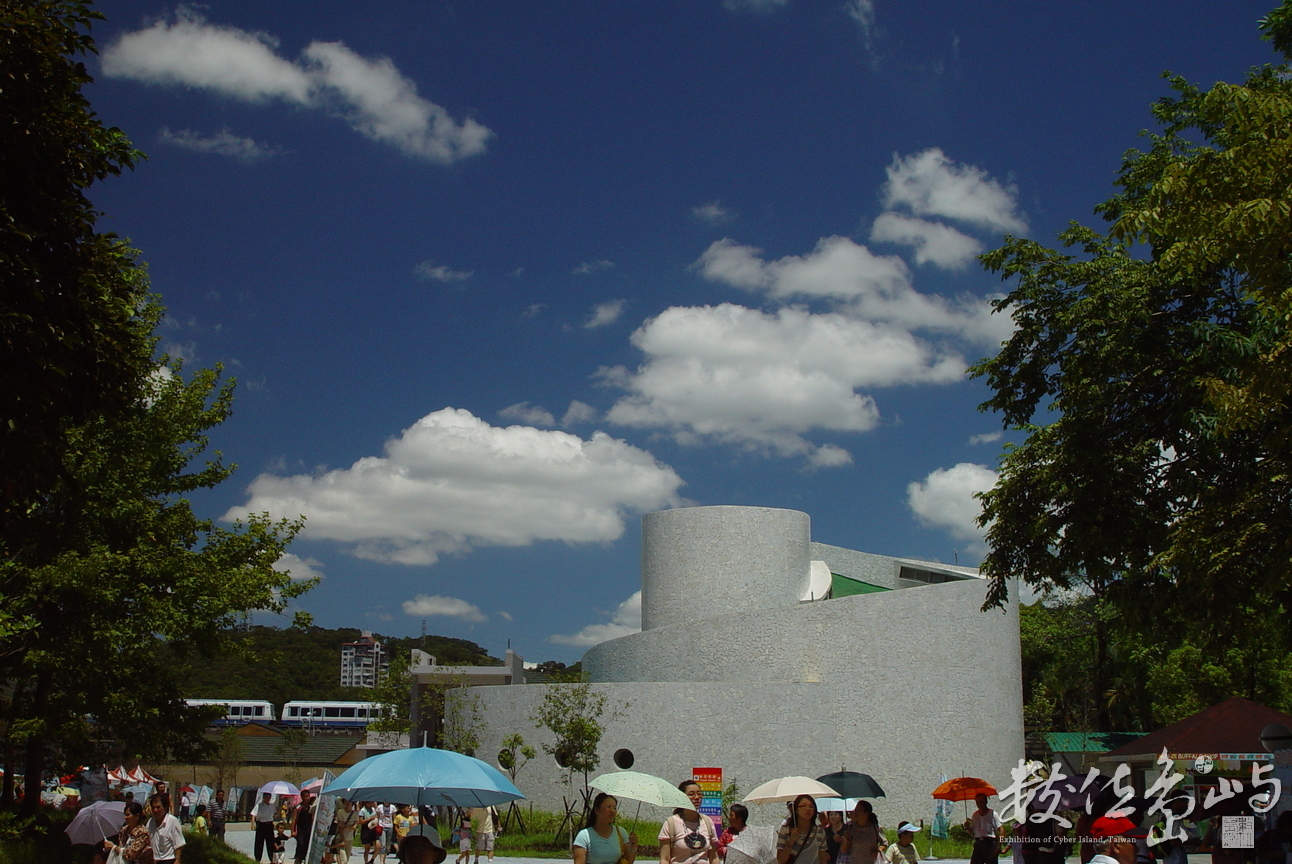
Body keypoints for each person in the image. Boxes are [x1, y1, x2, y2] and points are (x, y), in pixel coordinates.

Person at [660, 780, 718, 864]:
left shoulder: (707, 822)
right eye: (691, 794)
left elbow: (714, 858)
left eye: (699, 794)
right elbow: (664, 859)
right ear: (681, 797)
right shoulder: (671, 823)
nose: (697, 797)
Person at [575, 792, 639, 864]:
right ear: (596, 810)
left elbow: (628, 861)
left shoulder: (621, 833)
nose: (612, 811)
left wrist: (633, 846)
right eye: (608, 807)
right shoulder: (584, 836)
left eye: (614, 808)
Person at [777, 795, 828, 864]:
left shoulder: (819, 832)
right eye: (803, 806)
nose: (808, 809)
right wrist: (791, 840)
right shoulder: (785, 830)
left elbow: (822, 859)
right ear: (796, 810)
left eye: (811, 806)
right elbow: (780, 861)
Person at [146, 792, 186, 864]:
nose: (155, 810)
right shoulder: (150, 822)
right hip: (154, 860)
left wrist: (177, 860)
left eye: (158, 807)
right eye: (153, 807)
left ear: (165, 807)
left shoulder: (172, 821)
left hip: (168, 860)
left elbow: (179, 843)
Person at [967, 795, 1002, 864]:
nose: (979, 804)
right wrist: (967, 827)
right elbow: (971, 832)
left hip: (990, 843)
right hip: (978, 843)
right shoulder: (975, 815)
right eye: (977, 802)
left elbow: (1001, 830)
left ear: (985, 802)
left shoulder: (993, 814)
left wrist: (999, 846)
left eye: (981, 802)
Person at [332, 799, 363, 864]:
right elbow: (340, 827)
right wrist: (343, 839)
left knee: (346, 859)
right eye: (346, 801)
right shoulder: (340, 812)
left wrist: (345, 826)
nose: (348, 802)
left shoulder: (355, 813)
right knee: (344, 860)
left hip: (350, 839)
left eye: (350, 801)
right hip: (340, 838)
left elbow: (354, 827)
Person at [293, 789, 316, 863]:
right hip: (300, 830)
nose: (308, 798)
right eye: (306, 796)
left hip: (308, 830)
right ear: (302, 797)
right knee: (301, 844)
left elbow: (313, 818)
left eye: (309, 796)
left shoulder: (311, 807)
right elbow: (294, 820)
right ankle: (298, 860)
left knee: (307, 846)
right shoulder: (298, 807)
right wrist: (293, 831)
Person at [256, 792, 279, 863]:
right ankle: (257, 858)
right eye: (266, 797)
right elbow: (253, 814)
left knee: (270, 842)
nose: (267, 799)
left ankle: (272, 858)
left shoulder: (272, 806)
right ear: (263, 797)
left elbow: (274, 815)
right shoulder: (259, 805)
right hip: (261, 824)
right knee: (259, 842)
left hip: (269, 824)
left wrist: (280, 812)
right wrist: (253, 823)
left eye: (269, 797)